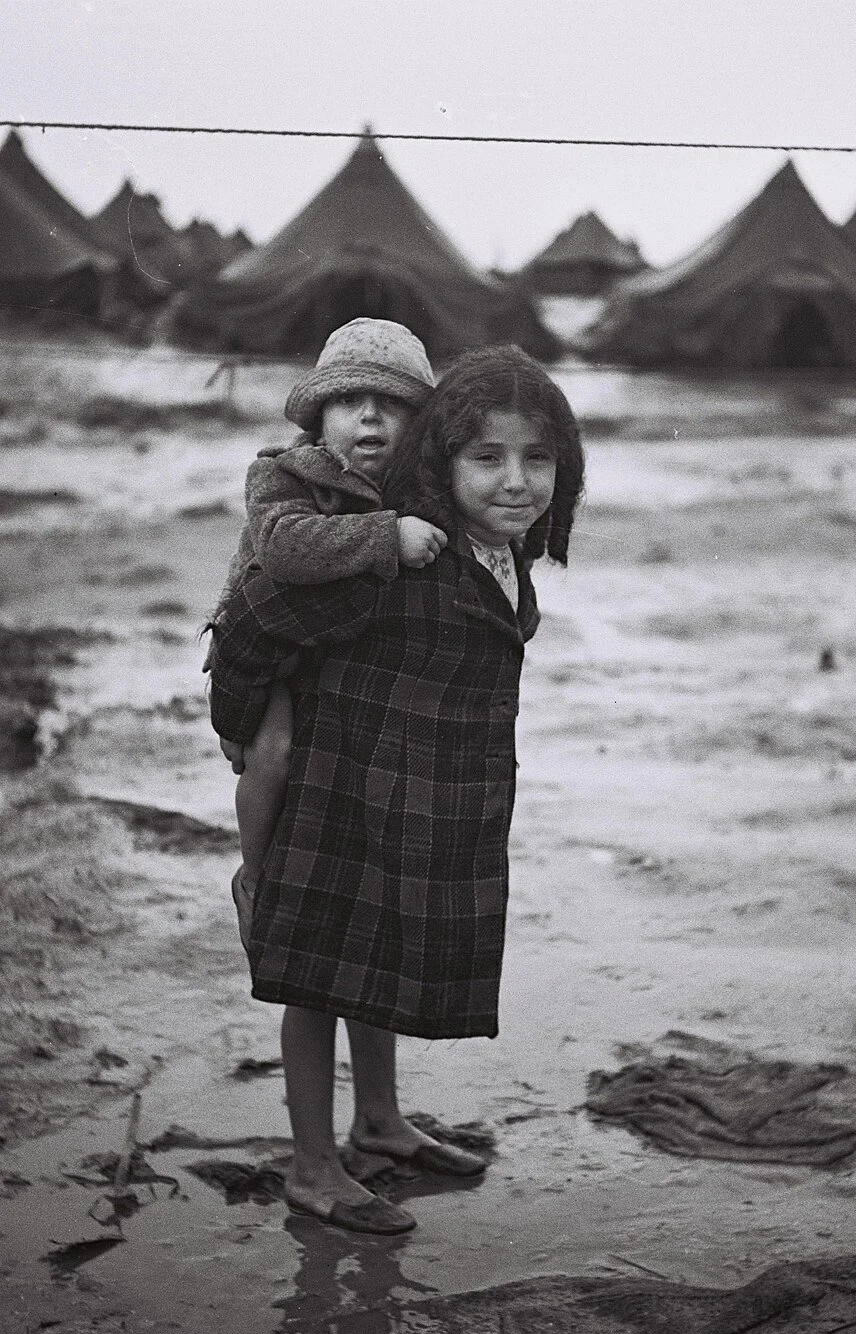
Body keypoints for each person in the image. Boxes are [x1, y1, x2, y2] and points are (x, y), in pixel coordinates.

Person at [208, 345, 585, 1235]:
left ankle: (377, 1126)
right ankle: (310, 1166)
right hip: (337, 797)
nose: (516, 481)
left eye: (538, 460)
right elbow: (256, 615)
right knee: (317, 977)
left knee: (368, 963)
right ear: (443, 458)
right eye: (487, 458)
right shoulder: (393, 556)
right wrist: (245, 729)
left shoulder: (496, 553)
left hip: (410, 800)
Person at [208, 317, 446, 947]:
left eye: (391, 404)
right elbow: (286, 550)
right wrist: (385, 535)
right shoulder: (286, 474)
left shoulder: (413, 485)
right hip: (261, 650)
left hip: (333, 656)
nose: (369, 418)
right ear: (318, 415)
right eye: (349, 401)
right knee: (273, 751)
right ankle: (254, 876)